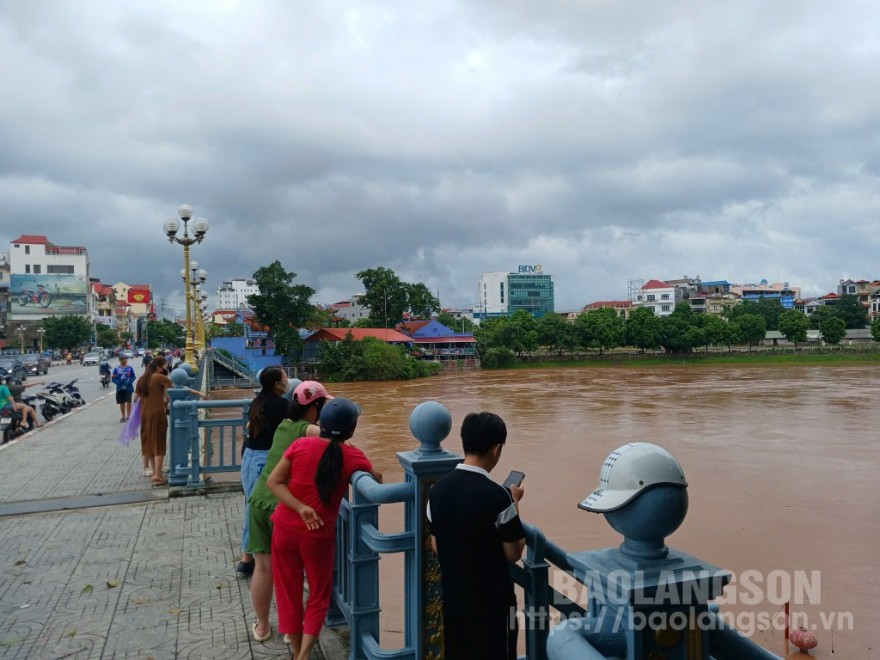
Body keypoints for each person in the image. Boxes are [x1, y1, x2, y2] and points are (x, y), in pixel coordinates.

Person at [267, 397, 382, 658]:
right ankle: (303, 655)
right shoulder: (351, 455)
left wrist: (300, 508)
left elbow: (274, 482)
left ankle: (297, 650)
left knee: (288, 595)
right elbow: (378, 480)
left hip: (284, 528)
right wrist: (357, 457)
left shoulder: (300, 444)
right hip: (317, 535)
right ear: (351, 431)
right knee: (318, 595)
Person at [427, 412, 526, 660]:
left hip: (453, 599)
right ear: (496, 449)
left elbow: (436, 546)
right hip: (493, 603)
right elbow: (513, 553)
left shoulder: (437, 490)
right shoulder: (498, 496)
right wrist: (514, 504)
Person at [246, 380, 331, 643]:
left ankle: (262, 626)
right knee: (292, 570)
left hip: (258, 501)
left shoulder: (284, 425)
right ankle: (292, 630)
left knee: (262, 568)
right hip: (283, 506)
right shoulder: (309, 430)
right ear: (314, 407)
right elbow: (337, 444)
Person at [237, 367, 290, 578]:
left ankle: (251, 555)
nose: (288, 380)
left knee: (253, 505)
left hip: (249, 457)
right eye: (285, 378)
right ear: (278, 384)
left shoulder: (257, 401)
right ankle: (248, 558)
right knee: (258, 507)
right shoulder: (282, 405)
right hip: (263, 460)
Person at [133, 355, 204, 486]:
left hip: (144, 415)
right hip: (157, 414)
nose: (167, 368)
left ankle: (155, 473)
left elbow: (134, 398)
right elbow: (180, 387)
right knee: (159, 442)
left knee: (148, 442)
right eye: (165, 366)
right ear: (159, 367)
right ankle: (157, 475)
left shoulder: (142, 379)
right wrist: (198, 393)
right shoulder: (159, 377)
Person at [111, 354, 136, 422]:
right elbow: (113, 378)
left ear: (126, 359)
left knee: (128, 401)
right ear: (119, 360)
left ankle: (129, 416)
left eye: (124, 358)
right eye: (121, 359)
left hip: (128, 387)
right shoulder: (116, 369)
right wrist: (118, 382)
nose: (123, 360)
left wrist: (129, 381)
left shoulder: (130, 368)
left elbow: (133, 377)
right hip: (120, 388)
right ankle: (123, 417)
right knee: (122, 402)